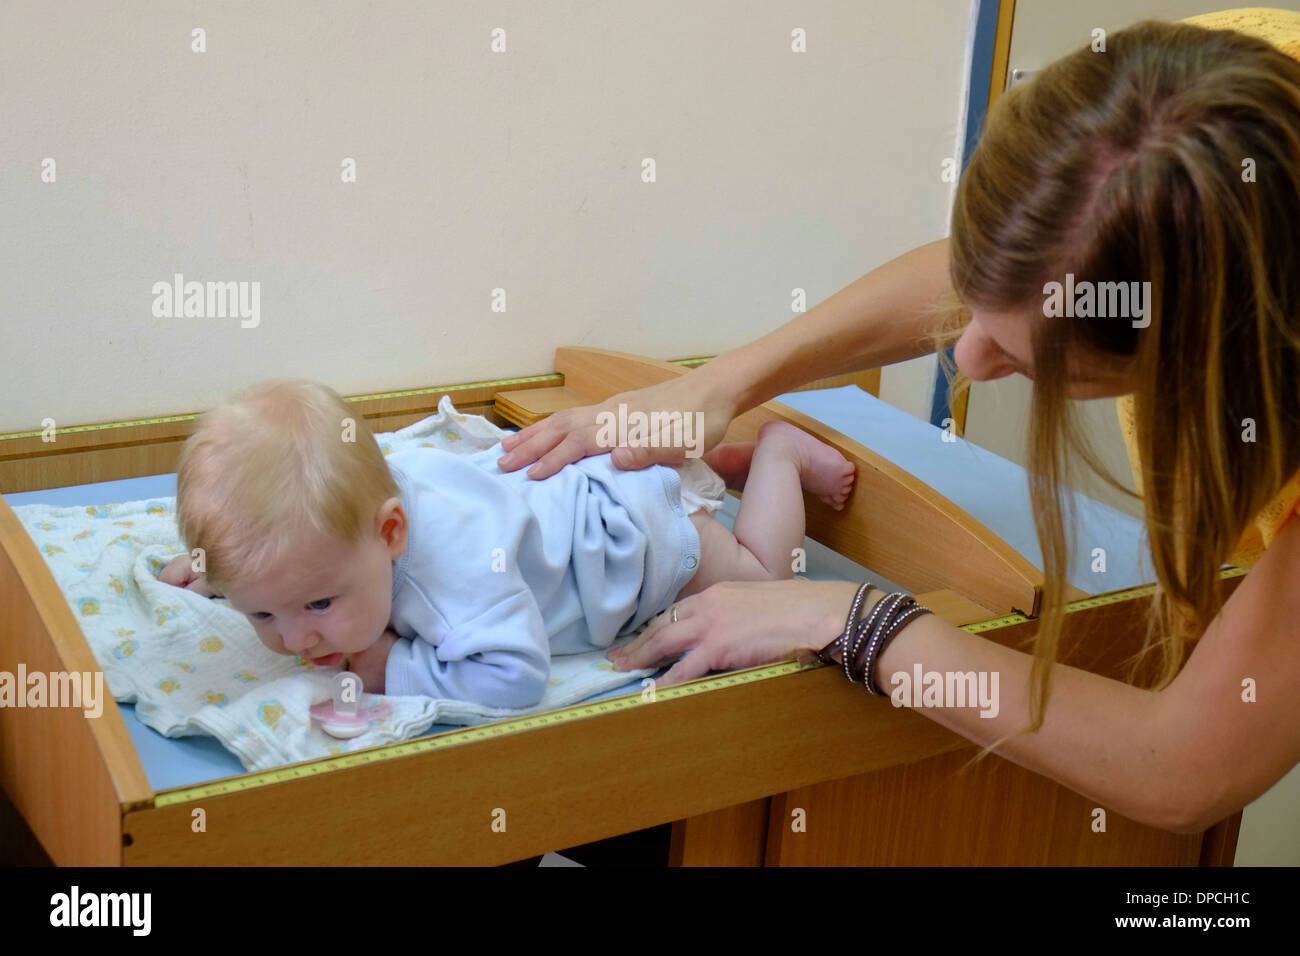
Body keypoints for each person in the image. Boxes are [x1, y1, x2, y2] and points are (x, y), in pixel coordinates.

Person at [493, 16, 1300, 834]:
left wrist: (854, 622)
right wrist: (724, 382)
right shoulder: (1191, 100)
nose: (970, 358)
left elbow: (1183, 768)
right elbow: (1012, 259)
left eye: (1028, 357)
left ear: (1210, 358)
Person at [157, 378, 855, 707]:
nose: (294, 640)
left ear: (392, 532)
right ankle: (707, 468)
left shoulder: (454, 583)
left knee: (766, 586)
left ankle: (777, 457)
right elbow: (283, 529)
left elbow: (514, 677)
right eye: (262, 614)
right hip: (581, 480)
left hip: (641, 539)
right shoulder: (351, 505)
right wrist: (222, 570)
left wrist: (388, 666)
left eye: (315, 604)